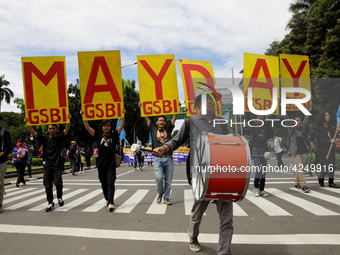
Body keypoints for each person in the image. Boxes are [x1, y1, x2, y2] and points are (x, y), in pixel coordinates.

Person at [153, 85, 233, 254]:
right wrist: (164, 148)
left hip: (221, 175)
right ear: (198, 105)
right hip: (201, 175)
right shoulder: (191, 122)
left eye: (211, 100)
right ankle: (193, 236)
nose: (209, 103)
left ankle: (224, 251)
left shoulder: (223, 123)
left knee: (226, 218)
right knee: (197, 212)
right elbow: (175, 141)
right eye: (205, 100)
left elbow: (233, 143)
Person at [80, 108, 126, 212]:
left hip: (111, 164)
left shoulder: (114, 135)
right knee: (103, 182)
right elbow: (87, 128)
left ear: (111, 127)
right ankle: (106, 198)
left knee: (110, 182)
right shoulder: (98, 136)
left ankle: (111, 202)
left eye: (108, 126)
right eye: (104, 126)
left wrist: (123, 115)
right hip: (100, 164)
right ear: (102, 127)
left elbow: (121, 126)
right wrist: (84, 117)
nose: (106, 127)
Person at [24, 113, 71, 212]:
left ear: (56, 129)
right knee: (47, 185)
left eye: (53, 128)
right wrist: (28, 123)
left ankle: (59, 197)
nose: (52, 130)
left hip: (57, 164)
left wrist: (68, 120)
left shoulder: (58, 138)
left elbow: (66, 130)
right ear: (48, 130)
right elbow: (34, 133)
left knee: (58, 182)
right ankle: (50, 203)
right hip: (47, 165)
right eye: (50, 128)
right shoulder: (44, 138)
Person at [138, 101, 180, 205]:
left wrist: (177, 108)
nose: (161, 122)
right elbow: (146, 118)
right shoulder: (153, 129)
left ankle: (166, 198)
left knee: (168, 181)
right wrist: (141, 107)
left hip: (169, 158)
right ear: (156, 122)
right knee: (159, 178)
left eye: (163, 120)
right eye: (159, 120)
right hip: (158, 159)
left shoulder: (169, 129)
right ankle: (160, 193)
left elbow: (175, 117)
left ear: (165, 123)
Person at [315, 111, 340, 188]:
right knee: (328, 165)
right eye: (326, 115)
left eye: (328, 115)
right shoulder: (318, 128)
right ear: (323, 117)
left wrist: (338, 132)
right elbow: (319, 139)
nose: (328, 116)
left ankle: (331, 182)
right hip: (323, 150)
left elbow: (334, 137)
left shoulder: (330, 128)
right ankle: (321, 176)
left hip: (331, 149)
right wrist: (329, 140)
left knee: (332, 165)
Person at [248, 115, 271, 197]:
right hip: (255, 150)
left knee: (263, 170)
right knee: (258, 168)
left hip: (263, 150)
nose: (261, 118)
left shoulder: (265, 126)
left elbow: (271, 116)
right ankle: (256, 187)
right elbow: (248, 116)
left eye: (262, 117)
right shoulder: (252, 125)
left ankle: (262, 189)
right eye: (259, 116)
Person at [287, 115, 311, 193]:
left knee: (300, 168)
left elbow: (306, 118)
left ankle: (297, 183)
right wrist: (282, 108)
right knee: (300, 167)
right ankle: (304, 185)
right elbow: (286, 119)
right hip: (295, 152)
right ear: (293, 122)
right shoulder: (292, 129)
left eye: (299, 120)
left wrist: (308, 109)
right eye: (297, 120)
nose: (299, 122)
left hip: (303, 151)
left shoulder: (302, 128)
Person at [0, 115, 12, 213]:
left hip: (1, 161)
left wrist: (1, 154)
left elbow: (8, 147)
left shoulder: (4, 132)